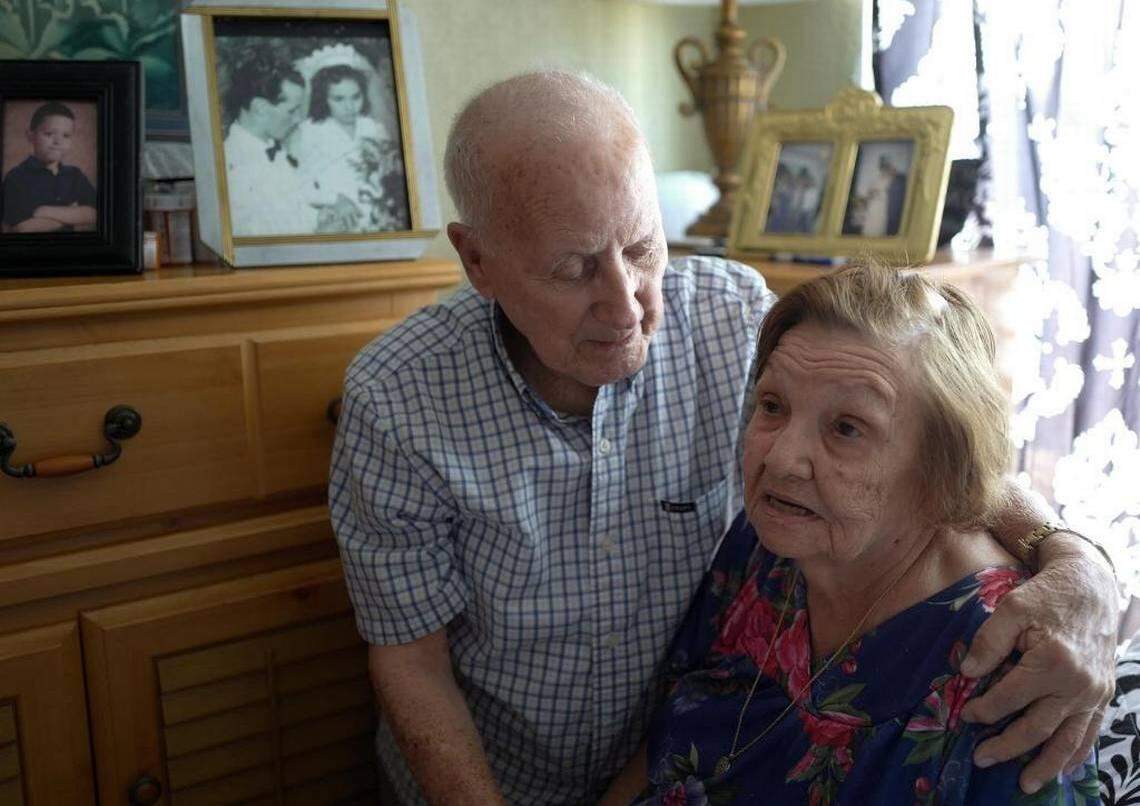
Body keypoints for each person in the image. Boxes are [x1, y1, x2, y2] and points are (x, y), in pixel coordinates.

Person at [328, 70, 1118, 805]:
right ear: (477, 259)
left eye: (641, 248)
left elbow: (925, 442)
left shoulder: (729, 317)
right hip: (493, 780)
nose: (626, 306)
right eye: (572, 270)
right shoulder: (397, 399)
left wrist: (1077, 560)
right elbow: (412, 660)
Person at [627, 262, 1099, 804]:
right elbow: (656, 756)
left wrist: (1083, 563)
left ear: (942, 466)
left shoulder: (1011, 662)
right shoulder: (769, 544)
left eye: (846, 429)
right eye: (773, 406)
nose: (781, 460)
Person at [222, 57, 357, 236]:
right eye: (292, 110)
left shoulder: (272, 149)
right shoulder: (231, 164)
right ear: (260, 108)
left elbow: (287, 208)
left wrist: (317, 217)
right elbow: (252, 238)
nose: (298, 119)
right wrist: (318, 236)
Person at [290, 47, 390, 232]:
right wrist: (334, 198)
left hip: (379, 217)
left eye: (356, 97)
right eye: (339, 99)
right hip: (339, 220)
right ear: (323, 98)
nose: (350, 106)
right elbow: (298, 184)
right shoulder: (311, 132)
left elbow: (386, 175)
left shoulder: (373, 128)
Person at [1, 101, 96, 233]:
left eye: (66, 135)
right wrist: (73, 213)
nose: (58, 141)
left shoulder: (75, 175)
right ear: (31, 136)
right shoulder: (16, 177)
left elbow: (94, 214)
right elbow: (22, 228)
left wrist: (44, 211)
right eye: (49, 134)